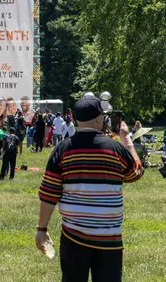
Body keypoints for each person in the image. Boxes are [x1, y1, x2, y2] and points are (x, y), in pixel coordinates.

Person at [36, 96, 144, 282]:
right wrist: (126, 139)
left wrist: (42, 228)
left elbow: (49, 193)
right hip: (109, 236)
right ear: (98, 119)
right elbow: (136, 173)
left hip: (73, 235)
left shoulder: (63, 149)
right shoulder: (115, 149)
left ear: (76, 119)